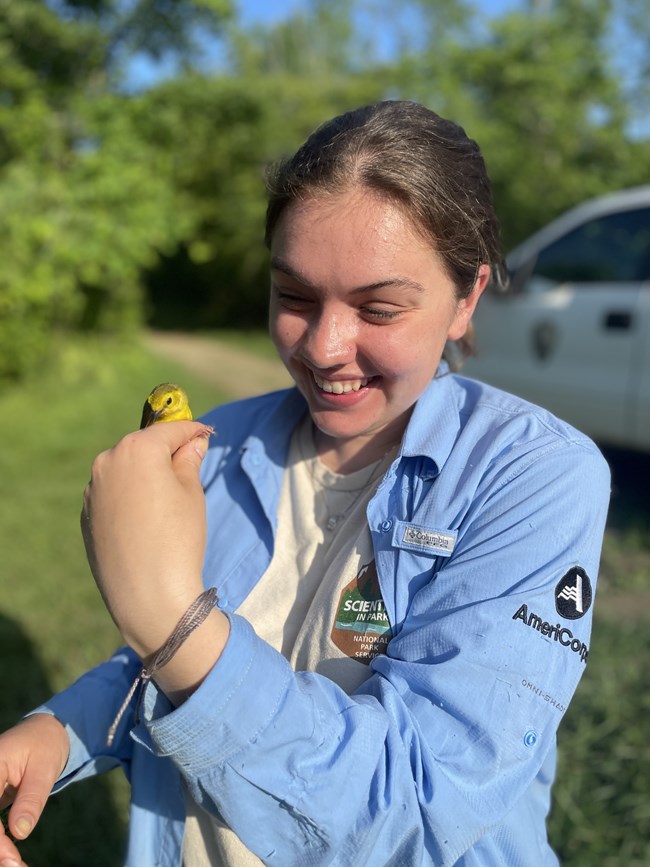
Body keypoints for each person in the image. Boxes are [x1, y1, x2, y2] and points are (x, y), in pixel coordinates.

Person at [0, 100, 610, 867]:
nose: (324, 347)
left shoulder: (533, 477)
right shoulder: (222, 445)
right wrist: (60, 732)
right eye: (293, 296)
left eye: (379, 307)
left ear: (467, 297)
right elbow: (152, 669)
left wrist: (172, 623)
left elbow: (417, 807)